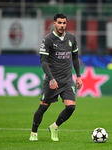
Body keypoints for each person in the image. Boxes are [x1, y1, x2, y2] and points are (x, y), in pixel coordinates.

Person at [29, 13, 83, 142]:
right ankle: (33, 132)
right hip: (52, 80)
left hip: (67, 80)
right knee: (43, 107)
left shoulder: (72, 38)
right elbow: (44, 61)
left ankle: (54, 127)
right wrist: (51, 79)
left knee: (71, 107)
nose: (62, 25)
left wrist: (79, 76)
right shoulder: (48, 40)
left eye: (64, 23)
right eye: (59, 23)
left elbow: (75, 58)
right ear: (54, 23)